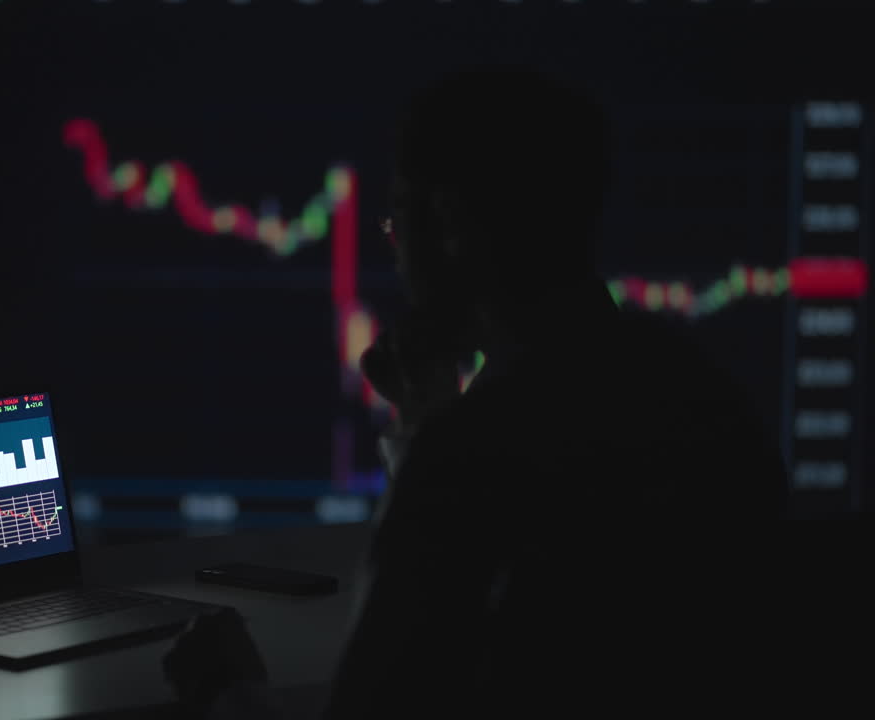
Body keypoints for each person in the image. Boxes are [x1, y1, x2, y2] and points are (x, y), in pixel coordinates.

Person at [163, 66, 791, 718]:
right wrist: (430, 425)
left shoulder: (466, 462)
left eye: (398, 218)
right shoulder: (712, 405)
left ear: (450, 223)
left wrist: (226, 695)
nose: (396, 252)